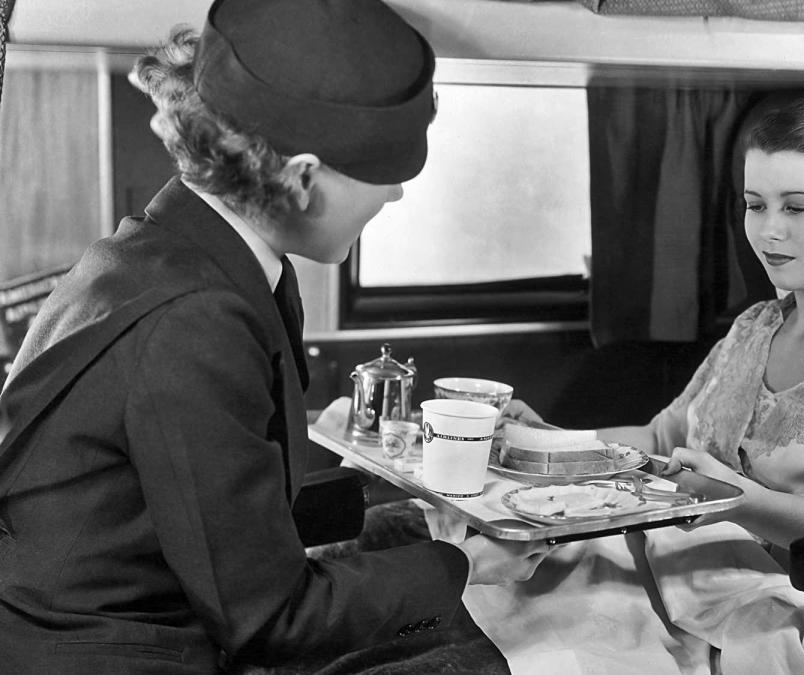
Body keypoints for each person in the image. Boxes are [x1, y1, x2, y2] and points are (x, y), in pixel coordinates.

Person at [0, 1, 548, 673]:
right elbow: (270, 618)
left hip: (149, 607)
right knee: (477, 658)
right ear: (303, 177)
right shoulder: (194, 319)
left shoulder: (173, 249)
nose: (397, 196)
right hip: (115, 654)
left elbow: (212, 508)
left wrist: (393, 495)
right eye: (387, 176)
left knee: (404, 543)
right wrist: (462, 566)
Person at [467, 97, 804, 673]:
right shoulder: (757, 326)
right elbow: (658, 439)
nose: (769, 231)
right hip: (671, 560)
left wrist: (736, 501)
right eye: (756, 206)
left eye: (796, 207)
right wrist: (546, 439)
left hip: (770, 600)